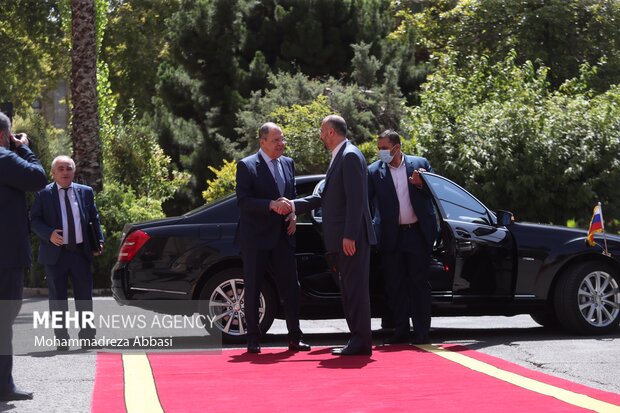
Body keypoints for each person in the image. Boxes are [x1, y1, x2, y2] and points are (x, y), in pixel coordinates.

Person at [293, 115, 376, 356]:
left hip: (350, 238)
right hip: (344, 237)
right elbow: (328, 197)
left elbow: (356, 199)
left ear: (331, 131)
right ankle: (358, 339)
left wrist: (349, 234)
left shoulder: (349, 155)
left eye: (322, 132)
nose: (320, 137)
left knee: (355, 290)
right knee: (350, 289)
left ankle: (360, 341)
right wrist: (293, 205)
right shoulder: (343, 154)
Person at [235, 122, 310, 354]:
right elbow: (243, 202)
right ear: (263, 142)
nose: (281, 144)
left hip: (283, 236)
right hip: (256, 237)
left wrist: (293, 214)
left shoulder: (288, 163)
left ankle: (295, 338)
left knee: (291, 288)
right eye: (276, 140)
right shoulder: (247, 166)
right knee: (254, 287)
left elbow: (293, 196)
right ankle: (253, 339)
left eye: (282, 139)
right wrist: (270, 205)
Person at [368, 130, 438, 345]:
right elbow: (367, 203)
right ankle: (400, 330)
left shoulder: (420, 164)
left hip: (417, 234)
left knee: (419, 284)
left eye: (384, 148)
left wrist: (420, 183)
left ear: (397, 147)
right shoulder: (373, 171)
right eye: (378, 148)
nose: (381, 152)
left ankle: (422, 331)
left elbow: (436, 192)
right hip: (391, 236)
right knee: (395, 285)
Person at [30, 155, 104, 350]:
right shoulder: (43, 194)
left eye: (68, 168)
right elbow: (34, 220)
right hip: (56, 255)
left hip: (80, 253)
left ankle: (87, 337)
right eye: (61, 169)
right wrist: (49, 234)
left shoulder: (85, 192)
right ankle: (62, 339)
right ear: (53, 173)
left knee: (84, 298)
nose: (65, 172)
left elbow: (93, 219)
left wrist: (99, 241)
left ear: (74, 171)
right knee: (57, 299)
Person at [0, 111, 47, 401]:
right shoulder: (4, 158)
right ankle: (3, 386)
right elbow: (38, 178)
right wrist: (24, 147)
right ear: (4, 135)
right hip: (5, 256)